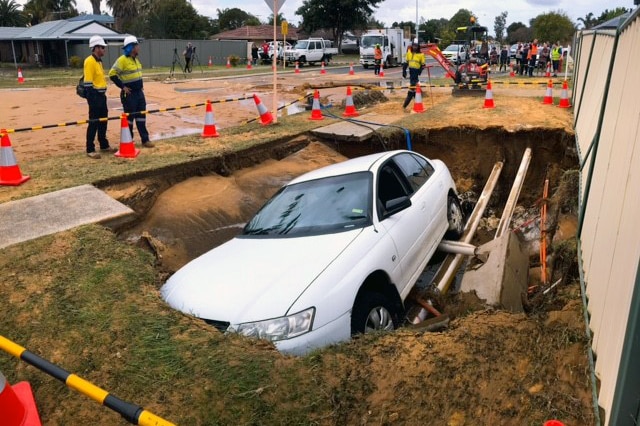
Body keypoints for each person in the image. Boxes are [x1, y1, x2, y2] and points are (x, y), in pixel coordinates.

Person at [109, 36, 154, 148]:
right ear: (132, 47)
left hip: (139, 93)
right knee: (129, 119)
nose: (139, 47)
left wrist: (140, 86)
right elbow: (112, 74)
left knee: (141, 117)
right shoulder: (122, 60)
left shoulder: (136, 60)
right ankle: (128, 140)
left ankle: (145, 139)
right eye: (137, 45)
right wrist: (122, 87)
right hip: (129, 95)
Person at [83, 35, 115, 159]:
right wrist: (92, 99)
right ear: (96, 48)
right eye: (102, 47)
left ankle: (103, 145)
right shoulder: (89, 61)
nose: (104, 50)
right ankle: (90, 149)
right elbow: (88, 83)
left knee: (103, 121)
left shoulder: (99, 61)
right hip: (94, 96)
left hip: (102, 96)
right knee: (93, 122)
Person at [402, 42, 426, 111]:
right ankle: (414, 100)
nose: (414, 47)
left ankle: (405, 105)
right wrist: (404, 70)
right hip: (411, 72)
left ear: (418, 47)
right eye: (413, 46)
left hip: (416, 72)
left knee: (412, 88)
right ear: (412, 46)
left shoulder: (421, 55)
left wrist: (420, 70)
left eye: (416, 46)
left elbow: (423, 64)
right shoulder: (409, 53)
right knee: (414, 88)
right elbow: (406, 62)